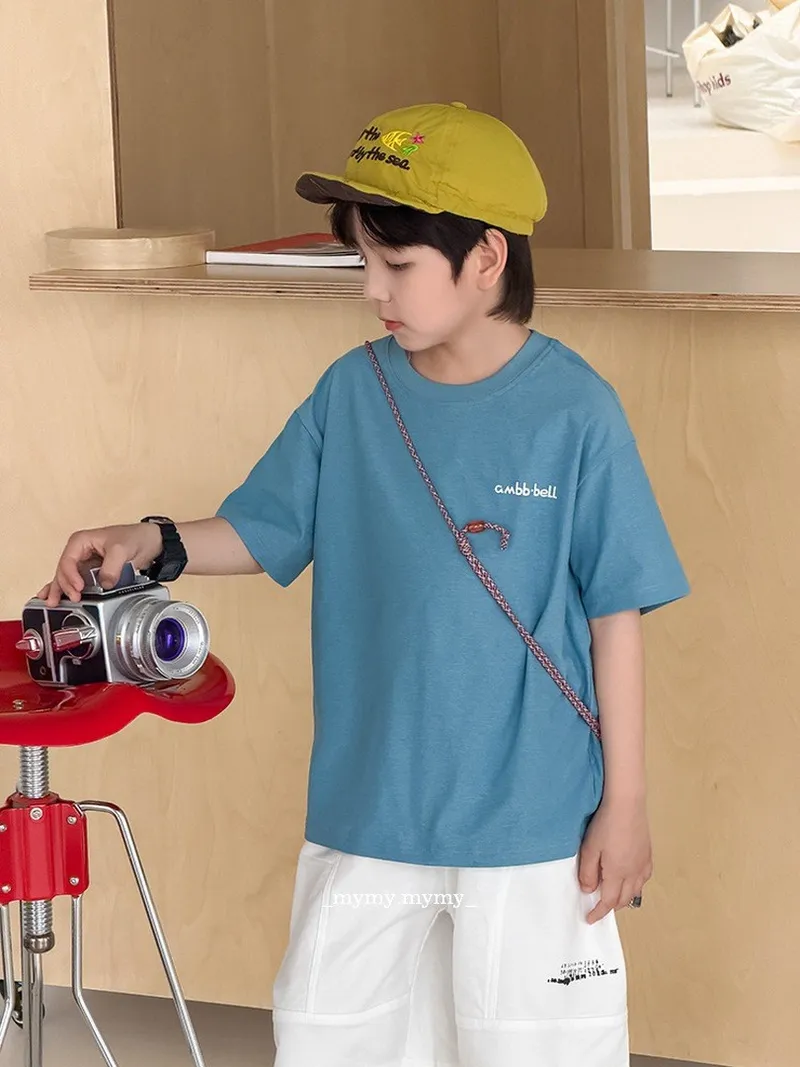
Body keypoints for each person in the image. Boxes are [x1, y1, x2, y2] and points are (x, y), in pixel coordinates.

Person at [39, 102, 690, 1067]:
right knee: (335, 1040)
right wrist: (151, 539)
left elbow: (615, 616)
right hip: (371, 809)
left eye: (398, 263)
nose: (374, 289)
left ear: (487, 257)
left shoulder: (576, 412)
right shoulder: (354, 391)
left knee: (535, 1048)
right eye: (362, 262)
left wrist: (625, 804)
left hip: (534, 821)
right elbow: (265, 528)